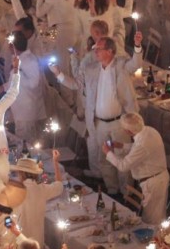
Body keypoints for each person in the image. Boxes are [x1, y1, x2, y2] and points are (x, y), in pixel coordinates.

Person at [53, 36, 138, 195]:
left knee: (122, 157)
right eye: (95, 49)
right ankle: (112, 191)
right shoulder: (91, 69)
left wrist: (138, 46)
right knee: (104, 158)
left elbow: (136, 63)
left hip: (119, 123)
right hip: (99, 123)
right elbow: (75, 85)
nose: (95, 52)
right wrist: (58, 73)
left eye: (99, 49)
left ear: (110, 51)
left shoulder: (120, 66)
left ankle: (127, 193)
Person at [103, 112, 169, 224]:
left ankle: (156, 239)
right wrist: (122, 145)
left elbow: (124, 166)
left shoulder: (142, 144)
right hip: (158, 178)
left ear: (128, 132)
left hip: (153, 183)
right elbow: (139, 149)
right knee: (157, 216)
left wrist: (108, 153)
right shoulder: (149, 130)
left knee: (151, 220)